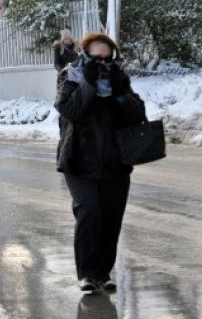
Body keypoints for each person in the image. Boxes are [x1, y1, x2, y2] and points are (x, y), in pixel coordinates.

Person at [54, 32, 146, 293]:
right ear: (84, 54)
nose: (102, 64)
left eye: (107, 59)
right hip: (78, 160)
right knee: (89, 212)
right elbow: (71, 111)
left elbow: (136, 113)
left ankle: (102, 274)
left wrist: (118, 92)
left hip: (115, 161)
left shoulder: (119, 79)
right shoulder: (70, 76)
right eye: (96, 58)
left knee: (111, 218)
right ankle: (86, 273)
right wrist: (90, 84)